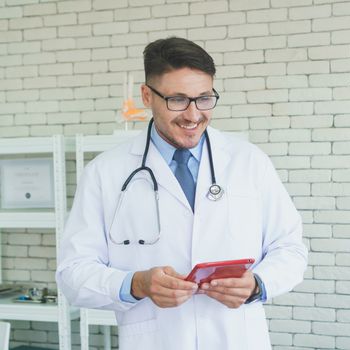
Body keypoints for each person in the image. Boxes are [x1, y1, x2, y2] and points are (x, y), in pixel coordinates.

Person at [56, 37, 308, 350]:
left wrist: (257, 284)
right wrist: (135, 284)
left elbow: (290, 248)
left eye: (204, 98)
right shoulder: (105, 173)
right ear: (147, 95)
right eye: (177, 100)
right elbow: (73, 274)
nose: (193, 115)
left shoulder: (249, 161)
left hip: (237, 338)